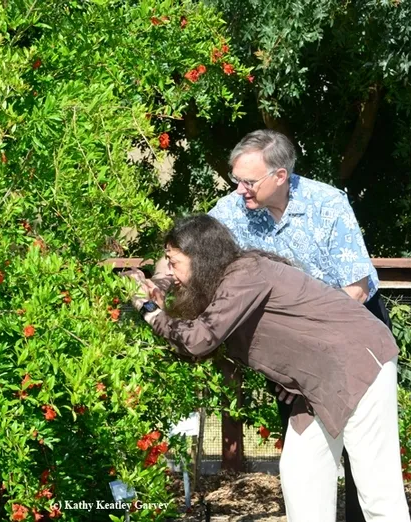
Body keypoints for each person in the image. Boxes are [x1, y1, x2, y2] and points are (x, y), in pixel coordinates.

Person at [151, 129, 389, 522]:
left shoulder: (326, 202)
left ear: (280, 175)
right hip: (293, 348)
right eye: (236, 179)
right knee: (305, 468)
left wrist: (309, 350)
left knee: (366, 471)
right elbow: (184, 248)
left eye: (248, 180)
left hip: (350, 335)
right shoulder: (232, 208)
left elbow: (356, 289)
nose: (239, 189)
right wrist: (158, 285)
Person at [125, 214, 410, 522]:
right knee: (302, 472)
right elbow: (197, 337)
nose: (172, 273)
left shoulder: (244, 275)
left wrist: (150, 310)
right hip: (318, 380)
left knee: (377, 487)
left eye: (174, 262)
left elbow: (198, 340)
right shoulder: (226, 282)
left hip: (359, 361)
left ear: (200, 257)